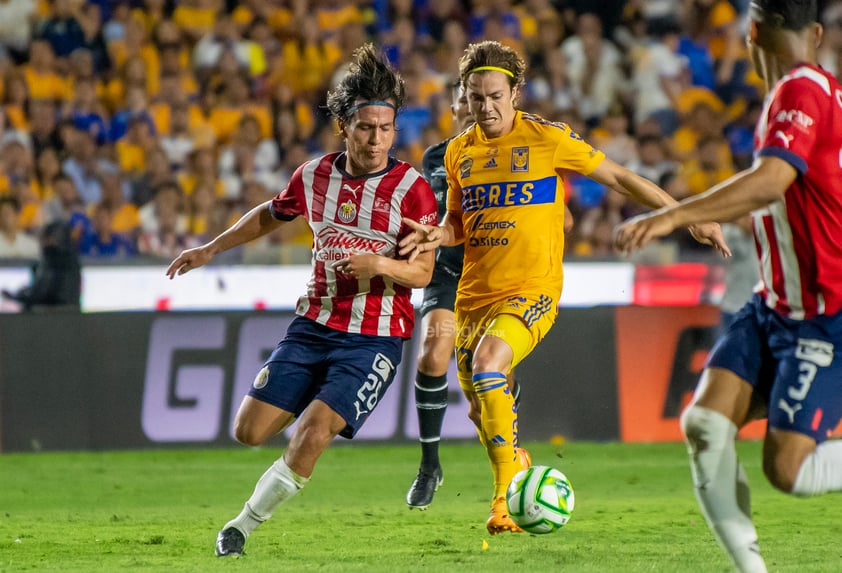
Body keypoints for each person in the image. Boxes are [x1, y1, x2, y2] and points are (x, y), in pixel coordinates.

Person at [399, 39, 729, 535]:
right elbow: (458, 224)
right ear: (464, 98)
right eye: (475, 97)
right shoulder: (458, 154)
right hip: (473, 295)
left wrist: (685, 216)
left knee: (491, 365)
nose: (485, 107)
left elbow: (620, 177)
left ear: (515, 93)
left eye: (494, 96)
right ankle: (514, 465)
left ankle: (503, 501)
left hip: (532, 289)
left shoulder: (546, 138)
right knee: (481, 407)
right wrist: (437, 233)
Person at [166, 43, 437, 557]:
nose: (377, 140)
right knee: (248, 431)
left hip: (374, 338)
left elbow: (422, 272)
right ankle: (312, 407)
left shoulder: (411, 190)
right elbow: (271, 214)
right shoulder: (313, 176)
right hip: (312, 326)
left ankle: (240, 527)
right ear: (343, 126)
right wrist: (210, 248)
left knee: (312, 432)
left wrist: (379, 264)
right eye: (365, 128)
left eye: (386, 129)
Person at [614, 2, 842, 570]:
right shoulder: (806, 93)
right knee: (705, 422)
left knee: (786, 469)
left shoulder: (801, 90)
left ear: (752, 32)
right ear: (815, 32)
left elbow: (771, 180)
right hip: (776, 304)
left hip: (823, 310)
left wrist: (671, 215)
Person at [405, 80, 575, 510]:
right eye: (465, 101)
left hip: (499, 279)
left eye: (479, 100)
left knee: (484, 398)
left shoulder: (517, 149)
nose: (471, 108)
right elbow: (440, 213)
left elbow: (563, 217)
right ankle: (429, 464)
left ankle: (509, 458)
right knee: (431, 351)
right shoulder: (440, 157)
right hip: (448, 277)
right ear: (454, 107)